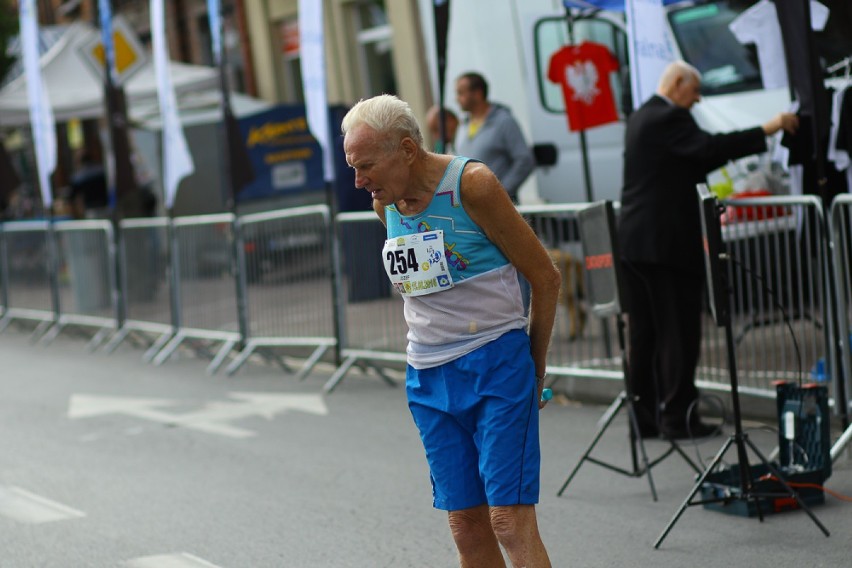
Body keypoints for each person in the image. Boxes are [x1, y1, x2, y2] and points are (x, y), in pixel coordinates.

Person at [342, 94, 560, 567]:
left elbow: (545, 277)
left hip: (495, 363)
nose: (358, 181)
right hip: (428, 374)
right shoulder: (387, 205)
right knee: (465, 526)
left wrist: (534, 367)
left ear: (406, 149)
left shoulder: (473, 185)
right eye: (352, 167)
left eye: (365, 166)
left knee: (508, 520)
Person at [618, 60, 799, 440]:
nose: (697, 99)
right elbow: (709, 149)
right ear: (679, 82)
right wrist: (767, 128)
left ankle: (644, 418)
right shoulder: (668, 118)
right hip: (666, 243)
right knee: (679, 331)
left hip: (636, 242)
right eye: (695, 90)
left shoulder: (640, 117)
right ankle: (679, 418)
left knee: (645, 333)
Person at [455, 72, 535, 204]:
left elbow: (524, 160)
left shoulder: (504, 122)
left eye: (461, 93)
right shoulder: (463, 126)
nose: (457, 98)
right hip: (472, 206)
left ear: (477, 93)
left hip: (500, 206)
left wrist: (502, 191)